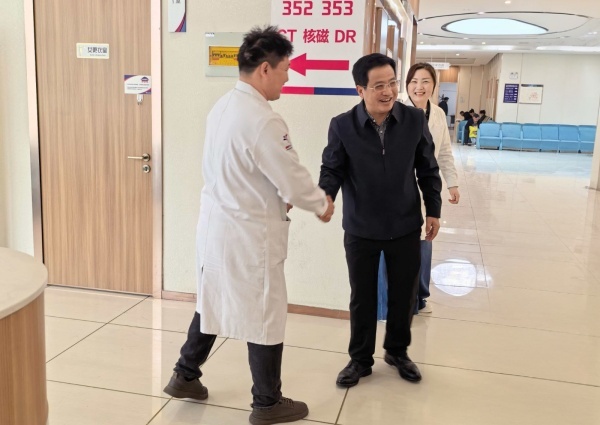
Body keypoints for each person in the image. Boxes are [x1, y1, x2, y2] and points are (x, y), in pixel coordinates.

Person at [163, 26, 334, 425]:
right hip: (248, 234)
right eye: (285, 69)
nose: (288, 77)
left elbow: (245, 170)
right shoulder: (263, 120)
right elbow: (291, 176)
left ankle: (185, 375)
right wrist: (320, 204)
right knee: (265, 313)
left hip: (216, 227)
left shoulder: (222, 107)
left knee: (212, 300)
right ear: (264, 69)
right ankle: (267, 402)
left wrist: (281, 193)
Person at [319, 53, 442, 388]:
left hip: (405, 224)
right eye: (378, 86)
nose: (388, 91)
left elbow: (428, 168)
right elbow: (332, 169)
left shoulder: (413, 119)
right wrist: (326, 195)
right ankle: (360, 359)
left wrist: (433, 209)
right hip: (361, 226)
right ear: (360, 90)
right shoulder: (343, 125)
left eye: (392, 83)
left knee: (404, 295)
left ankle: (397, 352)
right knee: (363, 296)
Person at [404, 63, 460, 314]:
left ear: (434, 86)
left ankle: (421, 296)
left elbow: (444, 152)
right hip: (402, 189)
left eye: (425, 81)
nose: (419, 87)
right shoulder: (397, 111)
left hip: (428, 187)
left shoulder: (437, 114)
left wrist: (452, 183)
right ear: (407, 85)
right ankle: (403, 298)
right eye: (414, 81)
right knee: (403, 245)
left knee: (426, 239)